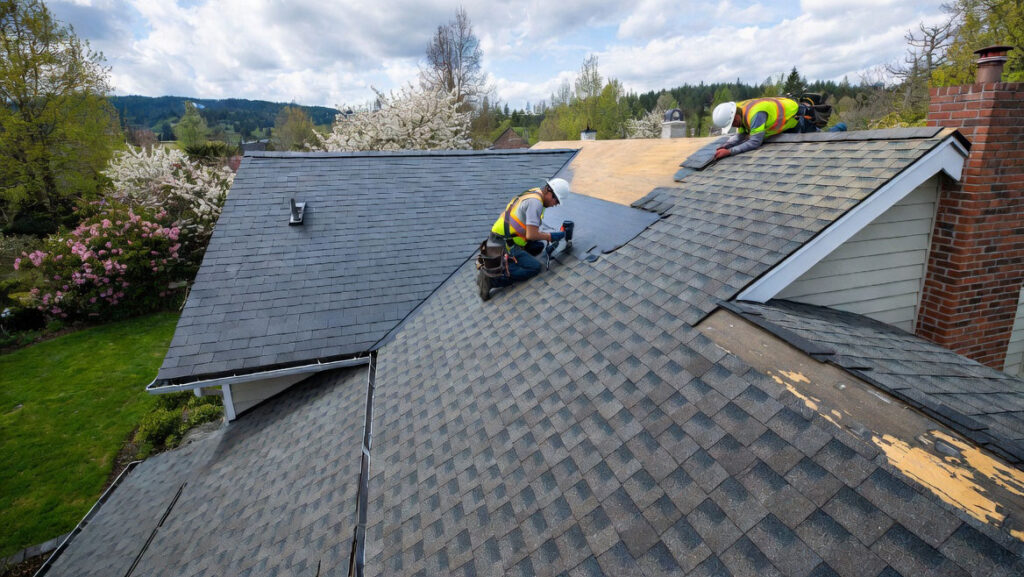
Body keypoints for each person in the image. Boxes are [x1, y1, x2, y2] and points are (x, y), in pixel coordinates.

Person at [477, 178, 569, 301]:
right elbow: (531, 235)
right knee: (535, 267)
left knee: (538, 246)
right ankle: (491, 279)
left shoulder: (535, 192)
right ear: (548, 190)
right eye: (556, 200)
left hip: (502, 238)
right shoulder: (535, 203)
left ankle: (510, 262)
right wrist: (550, 236)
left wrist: (544, 236)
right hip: (504, 244)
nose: (555, 204)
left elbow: (528, 229)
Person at [711, 97, 801, 160]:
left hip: (797, 117)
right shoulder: (738, 109)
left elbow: (755, 142)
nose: (734, 126)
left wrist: (729, 151)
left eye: (733, 123)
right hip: (786, 117)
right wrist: (726, 146)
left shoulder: (756, 114)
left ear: (735, 115)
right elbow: (741, 134)